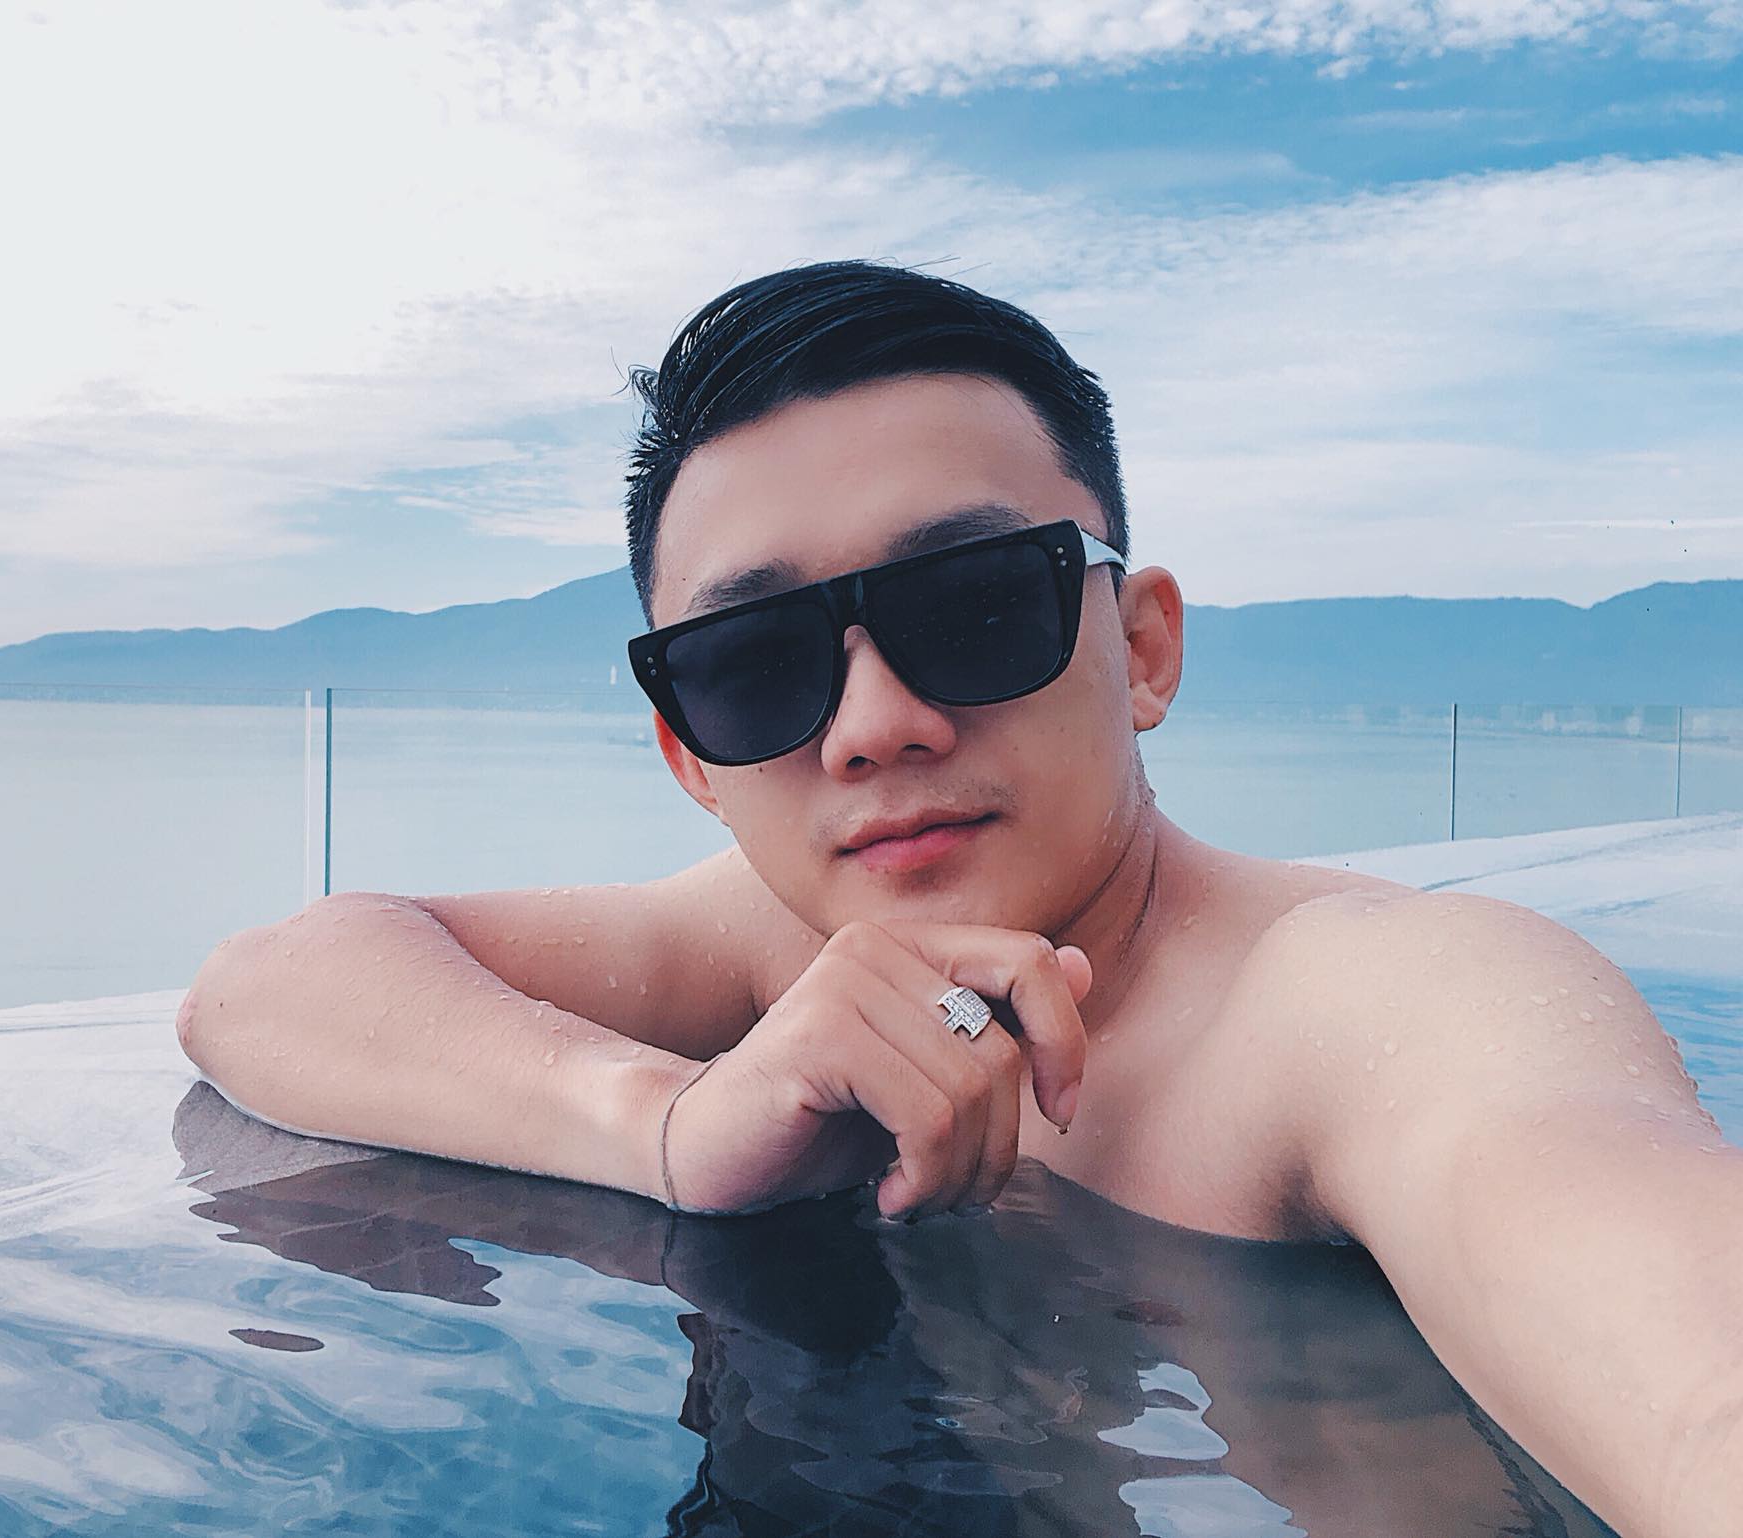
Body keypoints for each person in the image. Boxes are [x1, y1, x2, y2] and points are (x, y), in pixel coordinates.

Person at [176, 260, 1741, 1536]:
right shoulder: (787, 946)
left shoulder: (1366, 1000)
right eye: (755, 664)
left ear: (1141, 647)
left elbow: (1691, 1388)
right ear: (690, 757)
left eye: (975, 603)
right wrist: (666, 1124)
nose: (873, 724)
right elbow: (266, 983)